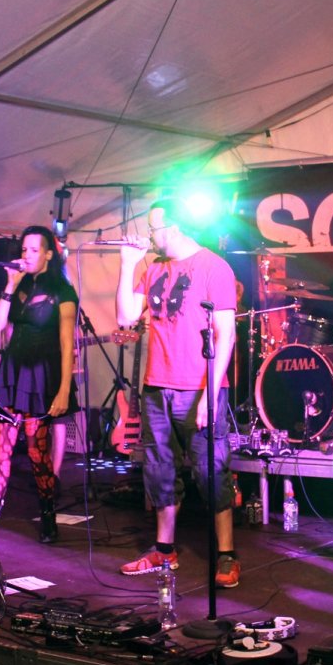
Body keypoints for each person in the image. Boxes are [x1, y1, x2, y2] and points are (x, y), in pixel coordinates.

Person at [115, 198, 240, 588]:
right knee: (159, 468)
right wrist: (126, 264)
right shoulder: (152, 267)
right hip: (157, 386)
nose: (150, 235)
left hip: (198, 387)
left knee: (211, 471)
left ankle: (226, 554)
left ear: (174, 227)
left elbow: (226, 335)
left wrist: (210, 395)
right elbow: (125, 317)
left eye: (154, 228)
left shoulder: (214, 267)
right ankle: (164, 550)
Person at [0, 225, 79, 543]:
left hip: (41, 376)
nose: (27, 255)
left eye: (34, 250)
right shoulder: (18, 285)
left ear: (48, 254)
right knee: (1, 449)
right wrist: (10, 285)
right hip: (12, 374)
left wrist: (64, 389)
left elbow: (67, 343)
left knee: (38, 452)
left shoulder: (63, 291)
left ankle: (48, 511)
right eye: (24, 249)